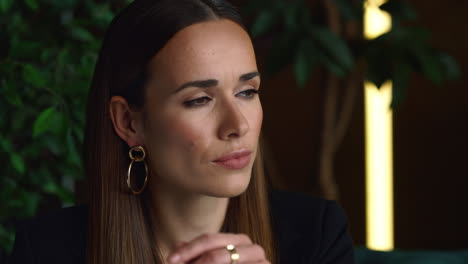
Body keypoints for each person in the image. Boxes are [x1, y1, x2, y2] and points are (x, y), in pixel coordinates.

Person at [8, 0, 355, 263]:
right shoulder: (45, 250)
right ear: (128, 122)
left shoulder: (316, 235)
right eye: (200, 99)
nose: (239, 125)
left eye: (247, 92)